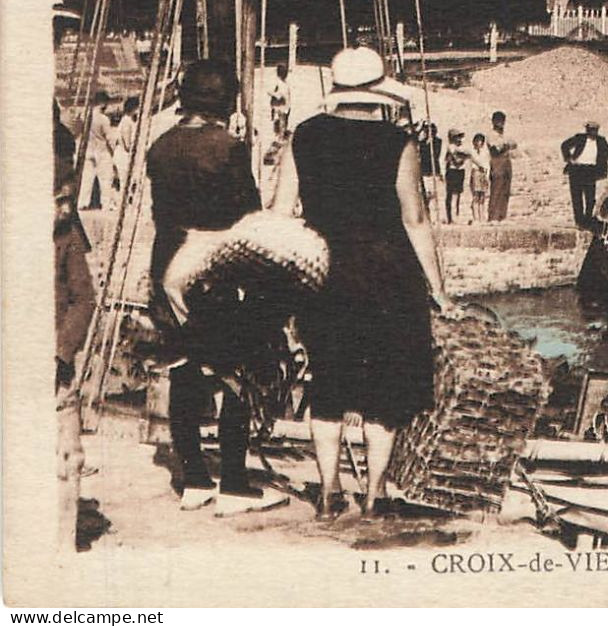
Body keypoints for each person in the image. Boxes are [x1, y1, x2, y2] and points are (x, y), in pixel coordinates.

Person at [273, 46, 448, 518]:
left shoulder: (303, 138)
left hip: (324, 272)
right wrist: (437, 287)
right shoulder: (399, 143)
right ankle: (374, 494)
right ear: (379, 94)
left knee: (328, 381)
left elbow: (279, 212)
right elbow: (415, 219)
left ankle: (328, 489)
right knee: (384, 393)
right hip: (387, 276)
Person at [146, 59, 282, 514]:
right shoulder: (228, 148)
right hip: (214, 268)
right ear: (225, 101)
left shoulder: (160, 146)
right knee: (233, 372)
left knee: (183, 367)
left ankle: (194, 479)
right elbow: (247, 212)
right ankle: (235, 484)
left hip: (168, 266)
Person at [55, 106, 95, 552]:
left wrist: (62, 351)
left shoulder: (67, 243)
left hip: (56, 362)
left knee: (65, 455)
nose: (65, 205)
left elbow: (84, 298)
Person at [559, 120, 608, 229]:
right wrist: (568, 158)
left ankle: (587, 220)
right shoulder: (579, 138)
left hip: (590, 171)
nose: (593, 132)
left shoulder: (601, 141)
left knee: (590, 197)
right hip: (576, 169)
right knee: (577, 197)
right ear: (587, 130)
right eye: (591, 130)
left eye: (595, 130)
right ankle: (579, 221)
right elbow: (564, 145)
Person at [78, 91, 117, 209]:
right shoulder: (104, 119)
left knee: (86, 179)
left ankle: (82, 203)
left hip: (89, 150)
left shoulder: (85, 117)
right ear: (103, 103)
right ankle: (106, 203)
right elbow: (109, 138)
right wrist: (114, 151)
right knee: (105, 179)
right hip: (102, 151)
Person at [486, 112, 515, 222]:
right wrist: (506, 145)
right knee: (496, 189)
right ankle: (493, 216)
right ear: (493, 121)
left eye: (502, 121)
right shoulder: (491, 135)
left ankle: (502, 216)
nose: (501, 123)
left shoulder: (504, 135)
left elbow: (514, 144)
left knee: (506, 189)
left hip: (506, 161)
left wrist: (505, 145)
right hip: (497, 161)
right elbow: (495, 150)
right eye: (498, 121)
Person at [442, 129, 468, 224]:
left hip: (460, 171)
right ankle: (450, 216)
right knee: (451, 194)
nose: (459, 139)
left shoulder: (461, 147)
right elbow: (455, 159)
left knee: (458, 194)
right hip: (452, 171)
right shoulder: (450, 147)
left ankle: (456, 215)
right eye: (457, 137)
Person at [468, 133, 491, 224]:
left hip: (483, 174)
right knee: (476, 196)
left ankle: (482, 217)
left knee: (482, 197)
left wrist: (486, 175)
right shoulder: (472, 152)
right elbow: (476, 162)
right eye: (477, 141)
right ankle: (476, 217)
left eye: (480, 141)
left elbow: (486, 164)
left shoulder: (485, 152)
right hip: (476, 173)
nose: (479, 142)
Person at [268, 63, 291, 138]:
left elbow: (279, 96)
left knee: (282, 121)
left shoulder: (281, 84)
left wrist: (271, 93)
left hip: (283, 106)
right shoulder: (285, 84)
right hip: (286, 106)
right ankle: (282, 133)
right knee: (283, 121)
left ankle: (281, 135)